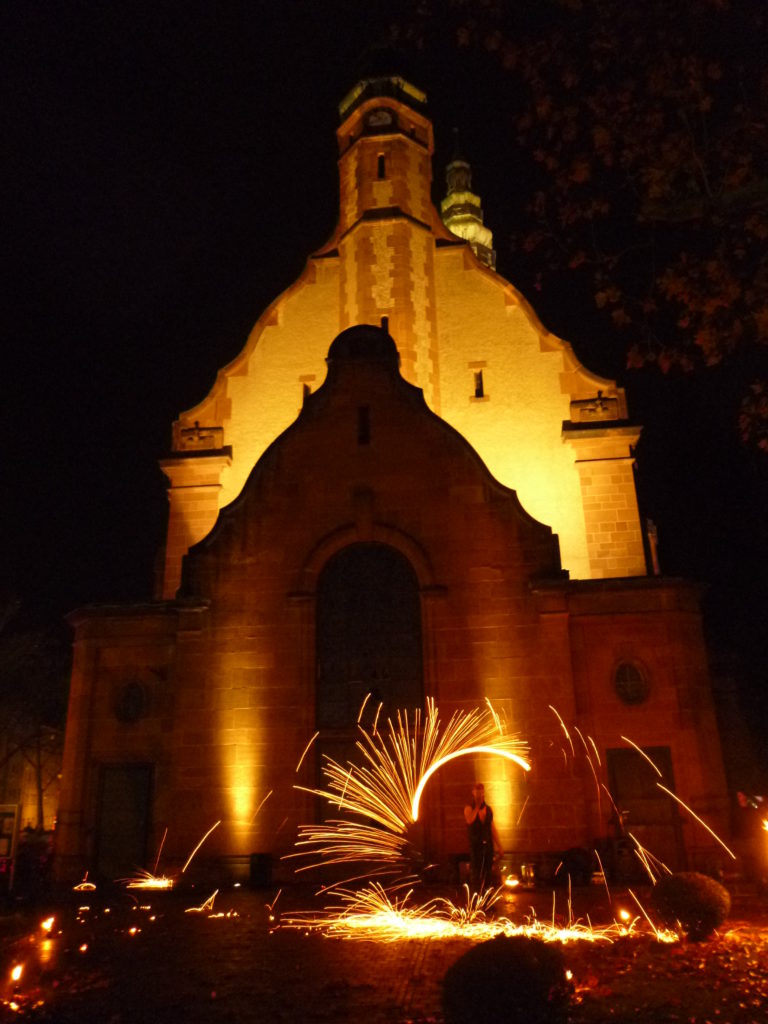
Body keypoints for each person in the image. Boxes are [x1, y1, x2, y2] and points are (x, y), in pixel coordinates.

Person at [464, 783, 503, 892]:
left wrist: (499, 846)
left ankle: (488, 895)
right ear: (473, 793)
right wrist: (477, 807)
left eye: (481, 791)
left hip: (488, 844)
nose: (479, 794)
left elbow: (492, 828)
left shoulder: (489, 809)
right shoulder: (469, 808)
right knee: (476, 872)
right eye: (477, 791)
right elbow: (469, 820)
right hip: (476, 845)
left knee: (488, 871)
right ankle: (476, 895)